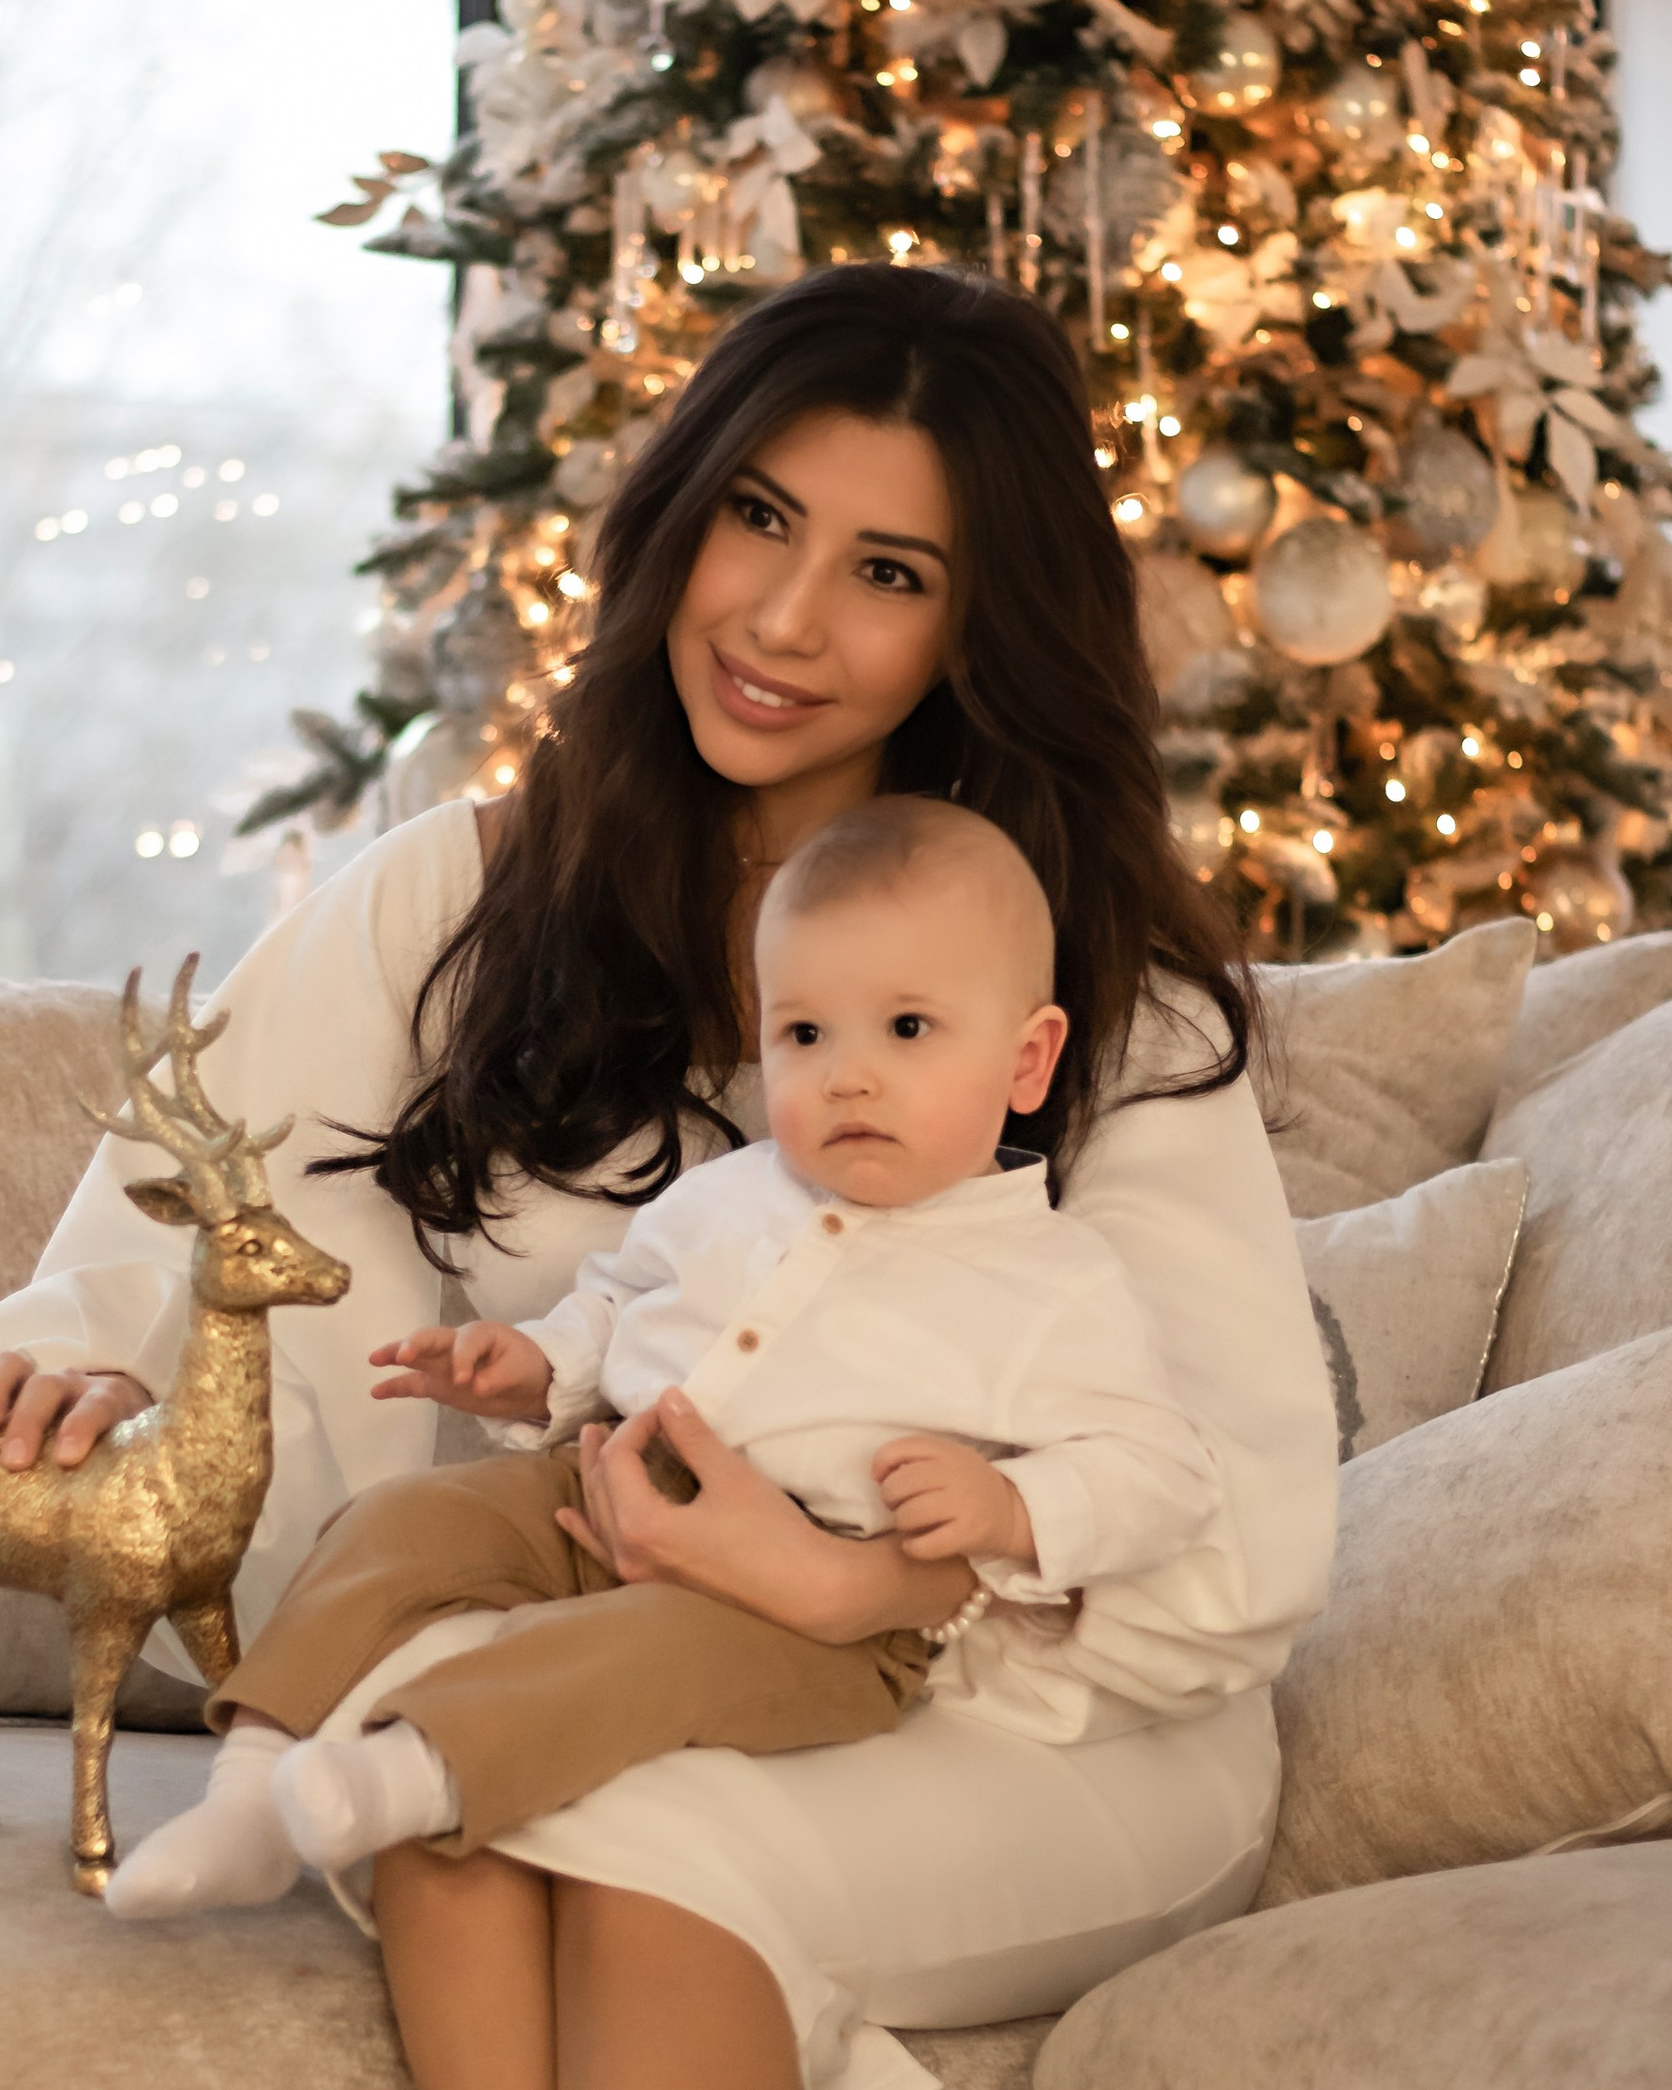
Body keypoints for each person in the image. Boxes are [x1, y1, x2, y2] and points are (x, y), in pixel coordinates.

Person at [0, 266, 1336, 2090]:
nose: (785, 618)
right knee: (445, 1778)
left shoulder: (1080, 1000)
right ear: (675, 518)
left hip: (1042, 1721)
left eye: (889, 573)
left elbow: (1232, 1538)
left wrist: (829, 1565)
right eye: (759, 521)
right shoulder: (456, 888)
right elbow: (165, 1223)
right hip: (618, 1624)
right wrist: (64, 1373)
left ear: (980, 626)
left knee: (632, 1822)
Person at [138, 796, 1219, 1892]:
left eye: (906, 1029)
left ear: (1027, 1061)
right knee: (399, 1519)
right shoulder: (731, 1193)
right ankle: (250, 1790)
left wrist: (1011, 1511)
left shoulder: (1053, 1282)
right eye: (805, 1033)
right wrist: (538, 1367)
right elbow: (621, 1299)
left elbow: (1164, 1476)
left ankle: (402, 1778)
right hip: (600, 1481)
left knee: (623, 1659)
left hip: (812, 1612)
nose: (846, 1074)